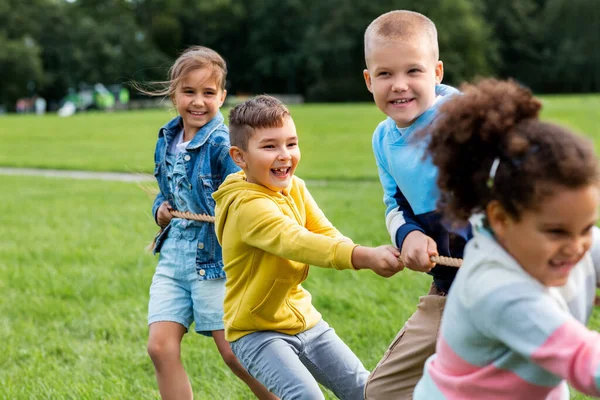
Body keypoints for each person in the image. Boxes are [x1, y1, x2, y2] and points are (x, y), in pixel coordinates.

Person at [413, 78, 600, 399]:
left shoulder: (569, 238)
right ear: (500, 218)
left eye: (586, 228)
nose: (577, 246)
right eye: (557, 232)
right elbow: (588, 363)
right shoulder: (497, 289)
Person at [212, 95, 405, 399]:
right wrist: (364, 257)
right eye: (269, 146)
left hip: (305, 321)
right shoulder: (246, 207)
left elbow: (324, 232)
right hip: (256, 333)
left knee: (367, 391)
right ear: (239, 156)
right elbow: (297, 242)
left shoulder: (295, 187)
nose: (284, 155)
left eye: (291, 143)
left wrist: (365, 251)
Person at [142, 46, 275, 400]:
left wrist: (234, 217)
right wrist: (160, 210)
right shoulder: (167, 138)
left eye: (208, 93)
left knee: (235, 354)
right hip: (173, 258)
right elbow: (166, 192)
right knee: (160, 348)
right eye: (189, 92)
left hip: (215, 260)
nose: (198, 102)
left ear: (223, 96)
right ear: (174, 94)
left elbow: (245, 194)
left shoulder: (222, 143)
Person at [361, 10, 471, 398]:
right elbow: (394, 204)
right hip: (447, 287)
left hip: (499, 283)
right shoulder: (382, 139)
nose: (399, 85)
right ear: (368, 80)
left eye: (414, 71)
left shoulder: (464, 120)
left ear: (437, 72)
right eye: (386, 74)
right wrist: (407, 234)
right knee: (383, 391)